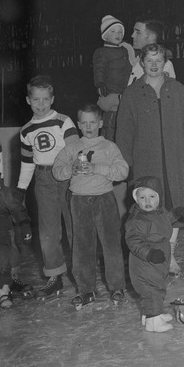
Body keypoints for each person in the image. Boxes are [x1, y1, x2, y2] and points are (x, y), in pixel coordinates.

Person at [116, 43, 184, 275]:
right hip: (146, 161)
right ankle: (154, 255)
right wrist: (128, 165)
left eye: (159, 60)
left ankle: (171, 256)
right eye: (149, 60)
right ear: (141, 62)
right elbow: (124, 132)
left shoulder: (177, 89)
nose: (154, 65)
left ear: (165, 63)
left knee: (175, 207)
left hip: (176, 159)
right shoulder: (132, 93)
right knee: (151, 209)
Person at [52, 103, 130, 309]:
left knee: (111, 244)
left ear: (101, 123)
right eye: (84, 123)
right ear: (78, 125)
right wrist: (70, 168)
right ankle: (85, 289)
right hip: (78, 201)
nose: (88, 127)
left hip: (104, 199)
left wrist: (97, 168)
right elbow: (56, 171)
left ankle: (117, 287)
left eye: (92, 122)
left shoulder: (109, 147)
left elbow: (123, 171)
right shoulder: (72, 148)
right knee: (82, 247)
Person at [16, 75, 77, 299]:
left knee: (74, 226)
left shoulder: (64, 121)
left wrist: (75, 176)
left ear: (52, 99)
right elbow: (27, 163)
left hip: (67, 177)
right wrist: (21, 189)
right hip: (43, 180)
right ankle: (55, 277)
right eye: (35, 99)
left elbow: (75, 152)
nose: (40, 104)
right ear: (28, 100)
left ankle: (81, 275)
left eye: (45, 99)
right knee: (48, 232)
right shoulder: (26, 131)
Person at [124, 176, 175, 333]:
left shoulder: (158, 212)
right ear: (136, 199)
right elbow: (134, 241)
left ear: (158, 197)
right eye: (142, 197)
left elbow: (164, 221)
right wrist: (149, 254)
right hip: (145, 262)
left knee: (159, 286)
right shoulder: (137, 220)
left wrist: (176, 215)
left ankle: (154, 314)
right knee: (151, 289)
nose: (147, 201)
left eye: (152, 197)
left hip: (158, 259)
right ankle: (153, 322)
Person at [0, 163, 33, 310]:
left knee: (2, 256)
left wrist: (25, 225)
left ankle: (3, 290)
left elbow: (17, 209)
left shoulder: (3, 192)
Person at [93, 15, 135, 142]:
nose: (118, 34)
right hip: (111, 91)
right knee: (112, 121)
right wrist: (100, 84)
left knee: (125, 122)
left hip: (125, 92)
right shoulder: (102, 52)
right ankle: (109, 142)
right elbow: (99, 68)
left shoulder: (126, 50)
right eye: (113, 31)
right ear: (105, 35)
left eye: (120, 31)